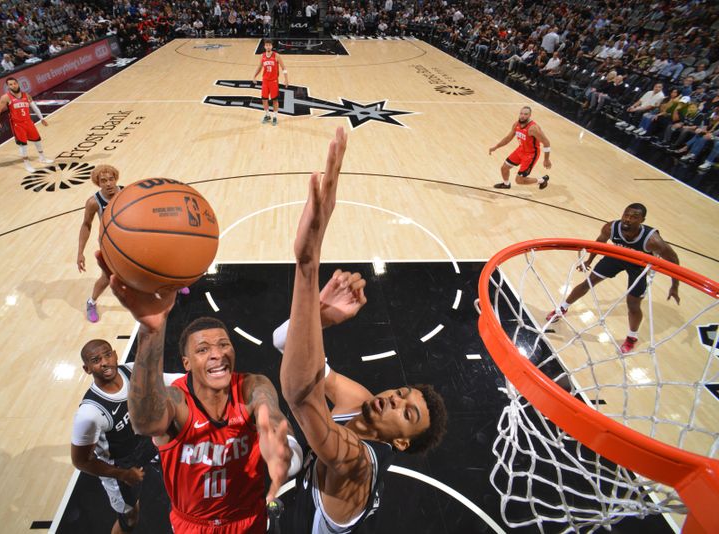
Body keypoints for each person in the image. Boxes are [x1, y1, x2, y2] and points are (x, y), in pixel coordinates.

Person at [278, 127, 448, 532]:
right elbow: (286, 345)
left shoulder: (358, 463)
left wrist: (308, 264)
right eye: (402, 394)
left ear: (401, 442)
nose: (392, 399)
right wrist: (318, 317)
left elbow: (301, 395)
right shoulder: (357, 399)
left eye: (407, 413)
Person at [92, 255, 302, 534]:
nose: (217, 353)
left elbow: (269, 412)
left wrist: (283, 446)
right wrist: (150, 330)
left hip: (248, 518)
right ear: (186, 363)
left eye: (224, 344)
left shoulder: (252, 386)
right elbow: (145, 423)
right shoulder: (175, 400)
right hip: (194, 525)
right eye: (203, 349)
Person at [71, 339, 181, 534]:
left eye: (107, 354)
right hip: (121, 465)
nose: (104, 362)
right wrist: (123, 474)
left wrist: (203, 378)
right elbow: (81, 461)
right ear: (87, 369)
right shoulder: (89, 413)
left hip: (146, 443)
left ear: (114, 354)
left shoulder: (132, 371)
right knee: (130, 517)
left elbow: (171, 380)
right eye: (96, 360)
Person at [546, 203, 681, 354]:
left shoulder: (653, 240)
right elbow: (599, 243)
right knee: (587, 283)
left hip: (639, 266)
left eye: (634, 217)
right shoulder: (611, 228)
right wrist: (589, 261)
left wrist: (674, 286)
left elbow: (673, 260)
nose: (628, 219)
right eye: (626, 215)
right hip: (616, 257)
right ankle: (562, 308)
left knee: (633, 305)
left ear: (642, 220)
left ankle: (632, 337)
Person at [77, 165, 123, 323]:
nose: (109, 183)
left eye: (111, 179)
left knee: (154, 263)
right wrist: (80, 252)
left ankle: (172, 288)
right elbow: (86, 225)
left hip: (132, 240)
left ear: (116, 179)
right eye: (104, 181)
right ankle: (91, 302)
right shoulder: (93, 202)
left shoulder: (127, 192)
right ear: (98, 183)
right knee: (107, 276)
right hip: (109, 244)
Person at [0, 76, 53, 173]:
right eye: (10, 84)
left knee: (37, 140)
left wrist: (41, 118)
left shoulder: (26, 95)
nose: (13, 85)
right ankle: (27, 165)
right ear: (8, 87)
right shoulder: (6, 97)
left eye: (14, 83)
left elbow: (35, 107)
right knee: (23, 145)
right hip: (17, 125)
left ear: (18, 83)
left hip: (28, 122)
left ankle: (42, 158)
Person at [488, 106, 552, 189]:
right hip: (520, 150)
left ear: (530, 115)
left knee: (519, 180)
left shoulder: (533, 128)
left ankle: (542, 181)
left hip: (531, 155)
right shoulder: (516, 124)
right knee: (504, 168)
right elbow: (508, 138)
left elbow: (546, 142)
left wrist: (546, 159)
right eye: (521, 113)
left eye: (525, 114)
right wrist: (495, 147)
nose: (522, 116)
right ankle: (506, 184)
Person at [252, 38, 288, 126]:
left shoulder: (277, 56)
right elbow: (260, 67)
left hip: (274, 81)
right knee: (264, 99)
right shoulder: (262, 56)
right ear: (264, 46)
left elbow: (284, 68)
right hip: (265, 81)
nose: (268, 47)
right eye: (266, 45)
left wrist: (286, 79)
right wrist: (254, 76)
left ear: (272, 46)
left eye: (269, 45)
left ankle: (275, 117)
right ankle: (267, 115)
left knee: (275, 100)